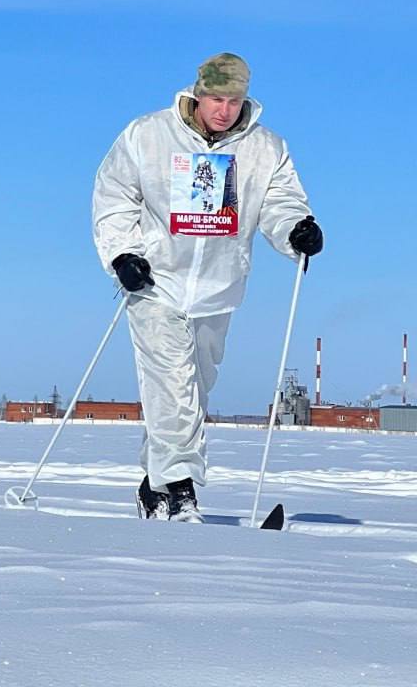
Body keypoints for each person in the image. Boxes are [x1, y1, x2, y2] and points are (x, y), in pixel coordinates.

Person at [92, 52, 322, 523]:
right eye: (216, 98)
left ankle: (150, 486)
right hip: (156, 282)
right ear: (198, 94)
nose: (224, 109)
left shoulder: (265, 147)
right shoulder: (147, 136)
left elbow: (281, 200)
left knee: (193, 388)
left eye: (234, 100)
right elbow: (114, 196)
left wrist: (296, 227)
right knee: (172, 386)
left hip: (219, 289)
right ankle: (180, 493)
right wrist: (122, 254)